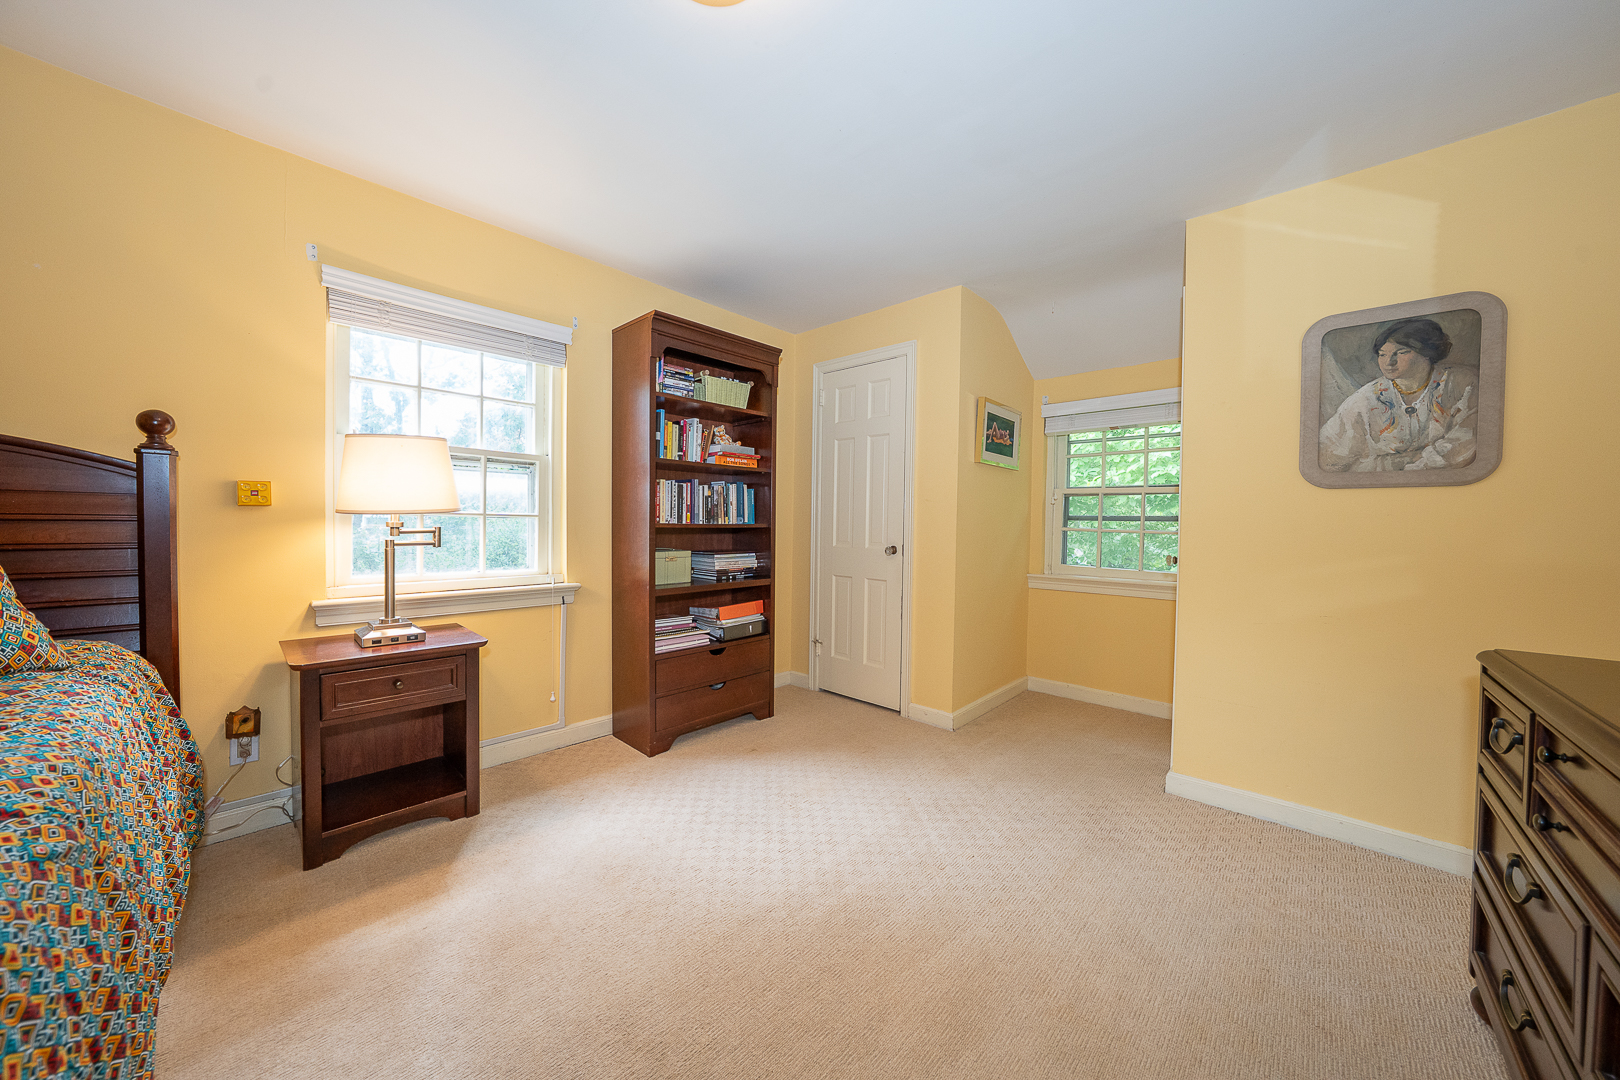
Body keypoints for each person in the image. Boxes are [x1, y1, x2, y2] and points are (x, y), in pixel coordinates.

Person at [1318, 317, 1477, 472]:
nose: (1389, 362)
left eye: (1401, 352)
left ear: (1427, 353)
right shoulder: (1365, 399)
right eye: (1382, 354)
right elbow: (1328, 458)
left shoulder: (1461, 385)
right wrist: (1402, 461)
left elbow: (1464, 447)